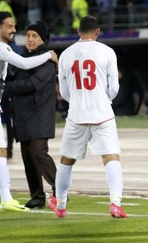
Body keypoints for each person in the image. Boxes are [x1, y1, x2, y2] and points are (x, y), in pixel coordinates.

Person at [0, 11, 57, 212]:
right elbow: (25, 64)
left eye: (14, 25)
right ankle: (7, 198)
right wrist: (50, 55)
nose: (14, 30)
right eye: (9, 26)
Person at [47, 16, 126, 219]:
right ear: (97, 31)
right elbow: (114, 88)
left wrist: (78, 101)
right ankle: (115, 203)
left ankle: (62, 205)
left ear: (78, 31)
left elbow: (63, 92)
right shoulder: (108, 52)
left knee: (66, 159)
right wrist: (101, 99)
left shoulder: (65, 55)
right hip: (102, 113)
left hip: (77, 114)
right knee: (111, 157)